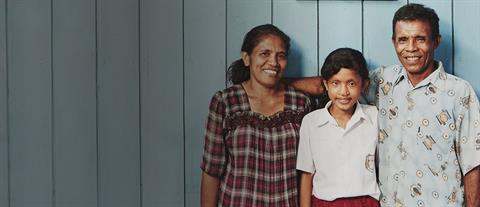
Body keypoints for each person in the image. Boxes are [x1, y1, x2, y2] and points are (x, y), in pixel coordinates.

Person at [293, 3, 480, 207]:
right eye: (403, 40)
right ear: (393, 42)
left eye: (420, 39)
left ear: (436, 41)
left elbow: (473, 164)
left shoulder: (459, 92)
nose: (410, 48)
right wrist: (275, 83)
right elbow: (337, 81)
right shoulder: (383, 81)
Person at [200, 24, 312, 207]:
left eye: (281, 55)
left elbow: (307, 171)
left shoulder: (300, 103)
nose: (274, 62)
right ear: (246, 58)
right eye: (264, 53)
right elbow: (212, 171)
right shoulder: (225, 102)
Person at [296, 48, 380, 207]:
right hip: (324, 203)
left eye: (351, 83)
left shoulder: (374, 117)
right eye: (336, 83)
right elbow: (306, 175)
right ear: (325, 85)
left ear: (364, 85)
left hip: (366, 202)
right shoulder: (311, 122)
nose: (344, 92)